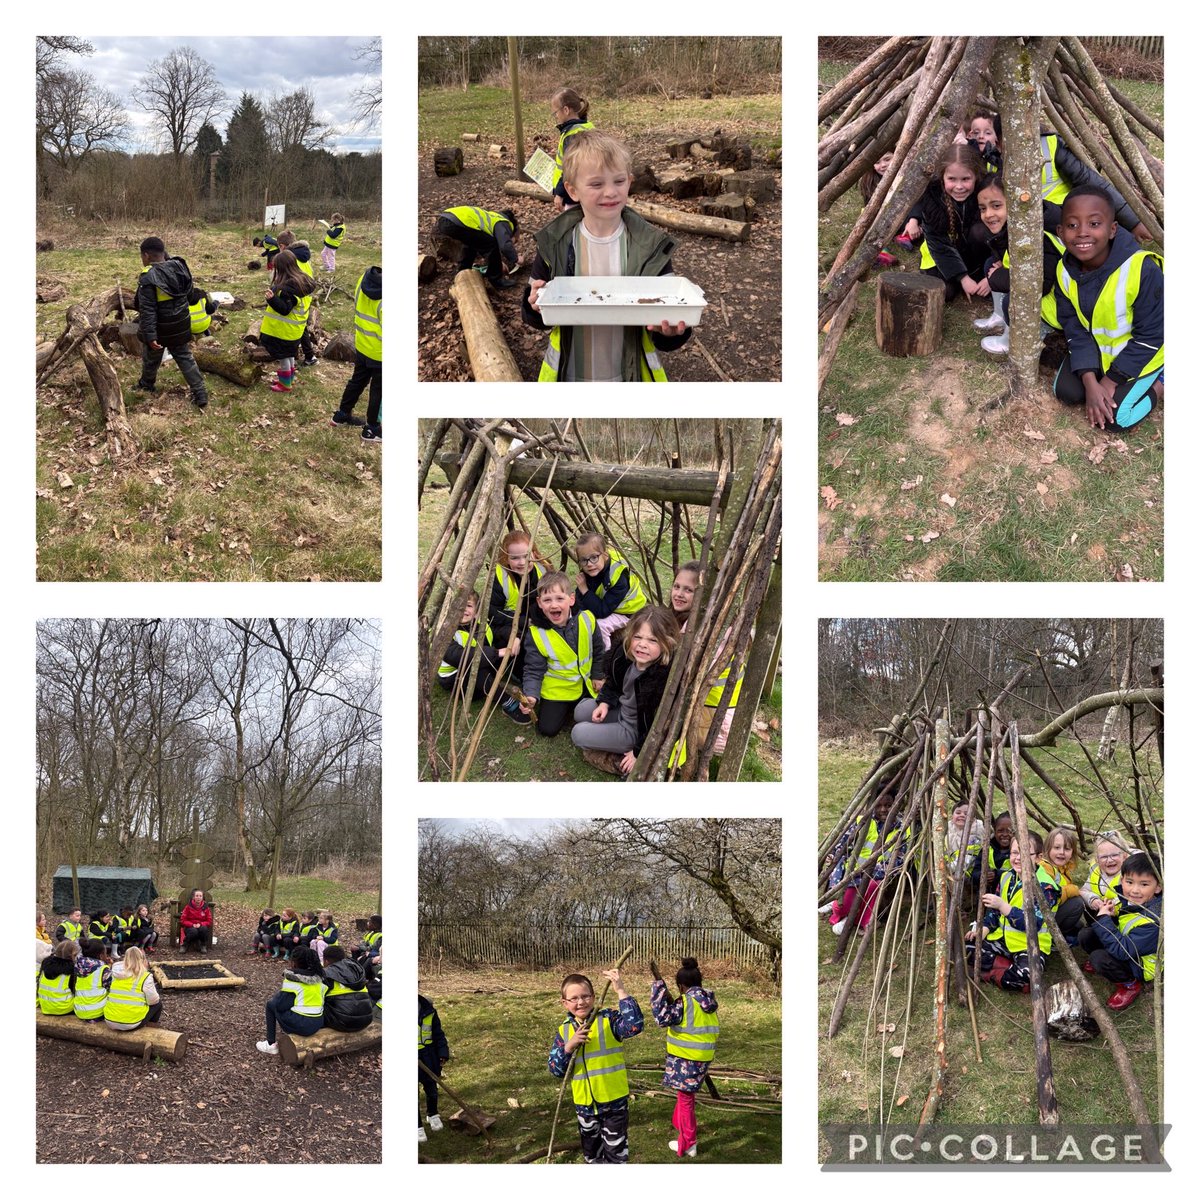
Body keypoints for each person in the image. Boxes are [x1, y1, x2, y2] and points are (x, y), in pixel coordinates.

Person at [524, 130, 692, 381]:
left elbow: (668, 319)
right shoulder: (555, 244)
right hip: (569, 375)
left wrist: (672, 331)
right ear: (572, 190)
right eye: (596, 184)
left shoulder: (650, 247)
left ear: (630, 182)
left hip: (631, 376)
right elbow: (532, 311)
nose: (611, 192)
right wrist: (535, 306)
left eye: (619, 181)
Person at [1053, 185, 1163, 430]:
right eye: (1072, 225)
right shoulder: (1064, 271)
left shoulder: (1142, 270)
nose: (1082, 232)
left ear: (1113, 229)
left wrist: (1110, 381)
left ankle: (1162, 382)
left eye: (1094, 224)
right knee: (1067, 392)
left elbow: (1153, 335)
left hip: (1144, 350)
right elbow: (1074, 327)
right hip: (1100, 349)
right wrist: (1090, 380)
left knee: (1117, 419)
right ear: (1060, 232)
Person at [571, 605, 679, 776]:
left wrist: (639, 751)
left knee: (578, 733)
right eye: (638, 637)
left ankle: (620, 751)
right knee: (581, 710)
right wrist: (605, 703)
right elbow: (613, 683)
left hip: (634, 731)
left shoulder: (662, 677)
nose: (642, 644)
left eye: (653, 640)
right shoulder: (624, 656)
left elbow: (659, 725)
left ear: (667, 643)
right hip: (622, 710)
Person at [549, 968, 643, 1164]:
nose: (581, 1002)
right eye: (574, 998)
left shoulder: (608, 1020)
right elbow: (556, 1070)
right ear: (564, 1003)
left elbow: (634, 1025)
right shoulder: (564, 1031)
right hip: (585, 1107)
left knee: (616, 1155)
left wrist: (620, 990)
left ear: (593, 997)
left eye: (585, 996)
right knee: (592, 1156)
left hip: (614, 1104)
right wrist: (569, 1046)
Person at [971, 175, 1065, 355]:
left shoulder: (1038, 235)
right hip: (1041, 290)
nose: (988, 214)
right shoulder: (1013, 226)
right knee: (991, 263)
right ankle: (999, 317)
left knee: (1011, 299)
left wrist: (996, 278)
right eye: (983, 208)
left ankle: (1013, 339)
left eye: (996, 206)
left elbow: (1040, 284)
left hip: (1056, 304)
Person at [969, 831, 1061, 992]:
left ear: (1038, 857)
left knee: (1028, 974)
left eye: (1024, 853)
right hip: (1003, 940)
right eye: (1014, 853)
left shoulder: (1045, 887)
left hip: (1030, 946)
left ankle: (993, 974)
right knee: (968, 947)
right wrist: (984, 929)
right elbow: (994, 912)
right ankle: (1006, 969)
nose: (1018, 858)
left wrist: (1003, 906)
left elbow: (1034, 924)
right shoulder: (1006, 877)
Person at [651, 957, 719, 1159]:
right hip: (702, 1057)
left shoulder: (685, 1002)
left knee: (686, 1099)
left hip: (686, 1058)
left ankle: (688, 1143)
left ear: (681, 985)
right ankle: (679, 1124)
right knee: (685, 1095)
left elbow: (662, 1018)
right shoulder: (707, 1001)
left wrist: (658, 989)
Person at [131, 236, 209, 410]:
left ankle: (146, 384)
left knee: (151, 359)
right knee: (185, 358)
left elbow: (147, 310)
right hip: (179, 325)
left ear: (146, 255)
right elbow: (190, 296)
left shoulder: (148, 276)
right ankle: (200, 392)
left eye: (142, 256)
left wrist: (150, 335)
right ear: (163, 252)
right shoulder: (179, 267)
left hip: (159, 329)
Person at [1076, 850, 1161, 1010]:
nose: (1134, 890)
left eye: (1144, 884)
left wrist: (1104, 918)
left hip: (1141, 964)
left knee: (1099, 957)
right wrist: (1113, 914)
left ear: (1158, 888)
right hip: (1128, 942)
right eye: (1129, 882)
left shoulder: (1155, 922)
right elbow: (1126, 922)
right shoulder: (1128, 898)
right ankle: (1107, 966)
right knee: (1086, 935)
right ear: (1122, 880)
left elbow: (1123, 951)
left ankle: (1130, 984)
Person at [520, 571, 598, 738]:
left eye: (560, 599)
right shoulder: (536, 634)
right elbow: (534, 669)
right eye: (547, 600)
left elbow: (599, 651)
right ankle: (566, 709)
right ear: (539, 603)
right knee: (547, 729)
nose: (554, 605)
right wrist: (531, 695)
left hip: (587, 684)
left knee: (598, 711)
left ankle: (577, 708)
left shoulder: (587, 619)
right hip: (558, 690)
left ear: (571, 599)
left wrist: (599, 675)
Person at [915, 144, 990, 303]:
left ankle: (978, 273)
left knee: (980, 231)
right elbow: (937, 242)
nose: (959, 186)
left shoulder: (986, 192)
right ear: (942, 177)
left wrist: (992, 275)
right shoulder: (933, 198)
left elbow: (999, 234)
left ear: (976, 176)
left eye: (966, 179)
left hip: (973, 253)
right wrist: (963, 278)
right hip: (940, 253)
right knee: (945, 292)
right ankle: (961, 276)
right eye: (952, 179)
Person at [825, 789, 905, 935]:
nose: (883, 809)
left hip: (878, 875)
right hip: (853, 874)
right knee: (840, 908)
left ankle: (861, 921)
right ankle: (841, 910)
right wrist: (833, 856)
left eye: (888, 805)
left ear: (896, 805)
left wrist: (872, 871)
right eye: (878, 805)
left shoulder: (902, 828)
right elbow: (842, 845)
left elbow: (899, 861)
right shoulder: (863, 822)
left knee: (874, 885)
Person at [573, 529, 648, 654]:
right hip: (609, 607)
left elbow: (603, 611)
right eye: (584, 560)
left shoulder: (618, 576)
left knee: (600, 626)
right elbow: (579, 600)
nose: (589, 564)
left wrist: (585, 590)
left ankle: (605, 657)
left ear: (605, 555)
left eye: (594, 557)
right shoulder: (595, 568)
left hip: (628, 613)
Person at [331, 265, 382, 443]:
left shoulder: (363, 279)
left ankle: (342, 414)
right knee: (378, 391)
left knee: (357, 380)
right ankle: (372, 429)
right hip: (380, 352)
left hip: (362, 344)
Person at [437, 590, 513, 703]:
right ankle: (507, 702)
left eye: (468, 605)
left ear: (476, 611)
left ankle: (517, 676)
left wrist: (515, 637)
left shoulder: (480, 623)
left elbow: (499, 631)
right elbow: (459, 656)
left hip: (481, 664)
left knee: (507, 643)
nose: (463, 609)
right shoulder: (444, 632)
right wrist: (496, 653)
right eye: (459, 605)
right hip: (456, 679)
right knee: (477, 671)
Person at [260, 248, 315, 394]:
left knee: (284, 356)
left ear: (281, 268)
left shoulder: (288, 289)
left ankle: (285, 385)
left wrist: (272, 299)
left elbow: (285, 309)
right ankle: (288, 378)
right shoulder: (302, 281)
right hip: (295, 331)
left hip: (284, 331)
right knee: (289, 354)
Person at [257, 946, 328, 1054]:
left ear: (294, 962)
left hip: (303, 1025)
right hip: (317, 1023)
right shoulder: (319, 979)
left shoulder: (293, 981)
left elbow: (280, 1006)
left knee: (271, 1005)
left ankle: (271, 1044)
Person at [432, 207, 521, 289]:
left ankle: (463, 270)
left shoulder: (491, 216)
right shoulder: (503, 223)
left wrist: (497, 262)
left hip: (446, 218)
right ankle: (496, 280)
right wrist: (516, 259)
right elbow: (504, 245)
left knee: (472, 244)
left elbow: (480, 244)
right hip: (455, 222)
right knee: (491, 245)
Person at [549, 88, 596, 210]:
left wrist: (559, 193)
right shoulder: (587, 127)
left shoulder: (572, 135)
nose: (556, 116)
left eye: (555, 113)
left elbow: (571, 167)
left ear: (566, 110)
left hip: (573, 194)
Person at [276, 231, 318, 367]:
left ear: (282, 246)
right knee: (302, 326)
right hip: (305, 297)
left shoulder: (291, 259)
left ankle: (297, 356)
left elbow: (288, 279)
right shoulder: (304, 255)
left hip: (295, 298)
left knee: (297, 328)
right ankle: (308, 356)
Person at [1076, 831, 1133, 928]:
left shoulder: (1130, 874)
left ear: (1124, 856)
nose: (1110, 860)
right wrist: (1093, 899)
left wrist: (1112, 905)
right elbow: (1083, 891)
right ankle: (1092, 927)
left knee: (1085, 935)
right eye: (1104, 857)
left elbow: (1133, 898)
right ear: (1097, 859)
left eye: (1114, 855)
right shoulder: (1096, 871)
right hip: (1100, 914)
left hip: (1121, 918)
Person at [418, 991, 451, 1142]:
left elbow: (438, 1035)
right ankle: (417, 1126)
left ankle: (432, 1114)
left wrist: (442, 1053)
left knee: (432, 1089)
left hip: (429, 1057)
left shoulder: (428, 1009)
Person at [104, 947, 162, 1031]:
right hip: (131, 1023)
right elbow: (153, 1001)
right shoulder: (145, 976)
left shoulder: (115, 973)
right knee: (158, 1004)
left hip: (110, 1020)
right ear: (142, 959)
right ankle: (151, 1029)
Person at [321, 946, 373, 1032]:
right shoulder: (356, 968)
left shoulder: (327, 973)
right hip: (366, 1020)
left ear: (326, 961)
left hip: (343, 1022)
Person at [945, 801, 985, 885]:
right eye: (958, 813)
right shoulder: (947, 829)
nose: (962, 815)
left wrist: (946, 869)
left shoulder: (976, 834)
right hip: (948, 867)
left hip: (967, 871)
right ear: (952, 816)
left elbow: (968, 860)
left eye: (966, 813)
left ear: (974, 818)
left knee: (957, 880)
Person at [72, 939, 110, 1021]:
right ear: (101, 956)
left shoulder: (78, 966)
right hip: (97, 1012)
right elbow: (111, 987)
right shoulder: (103, 970)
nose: (107, 956)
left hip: (79, 1010)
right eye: (105, 954)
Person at [37, 940, 78, 1015]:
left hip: (45, 1006)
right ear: (73, 955)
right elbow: (75, 990)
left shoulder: (45, 963)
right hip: (64, 1007)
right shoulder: (72, 969)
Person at [983, 812, 1014, 890]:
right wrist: (983, 875)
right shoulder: (988, 848)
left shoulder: (1018, 852)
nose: (1005, 834)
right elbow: (976, 871)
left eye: (1010, 831)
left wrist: (997, 874)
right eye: (1000, 831)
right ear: (995, 831)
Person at [179, 889, 213, 954]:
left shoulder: (206, 908)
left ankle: (203, 945)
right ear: (193, 897)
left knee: (204, 929)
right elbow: (183, 920)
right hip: (190, 926)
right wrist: (192, 925)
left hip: (201, 926)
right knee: (193, 931)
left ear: (202, 897)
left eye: (200, 896)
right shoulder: (188, 907)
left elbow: (209, 921)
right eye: (197, 896)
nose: (198, 897)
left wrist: (201, 924)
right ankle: (184, 945)